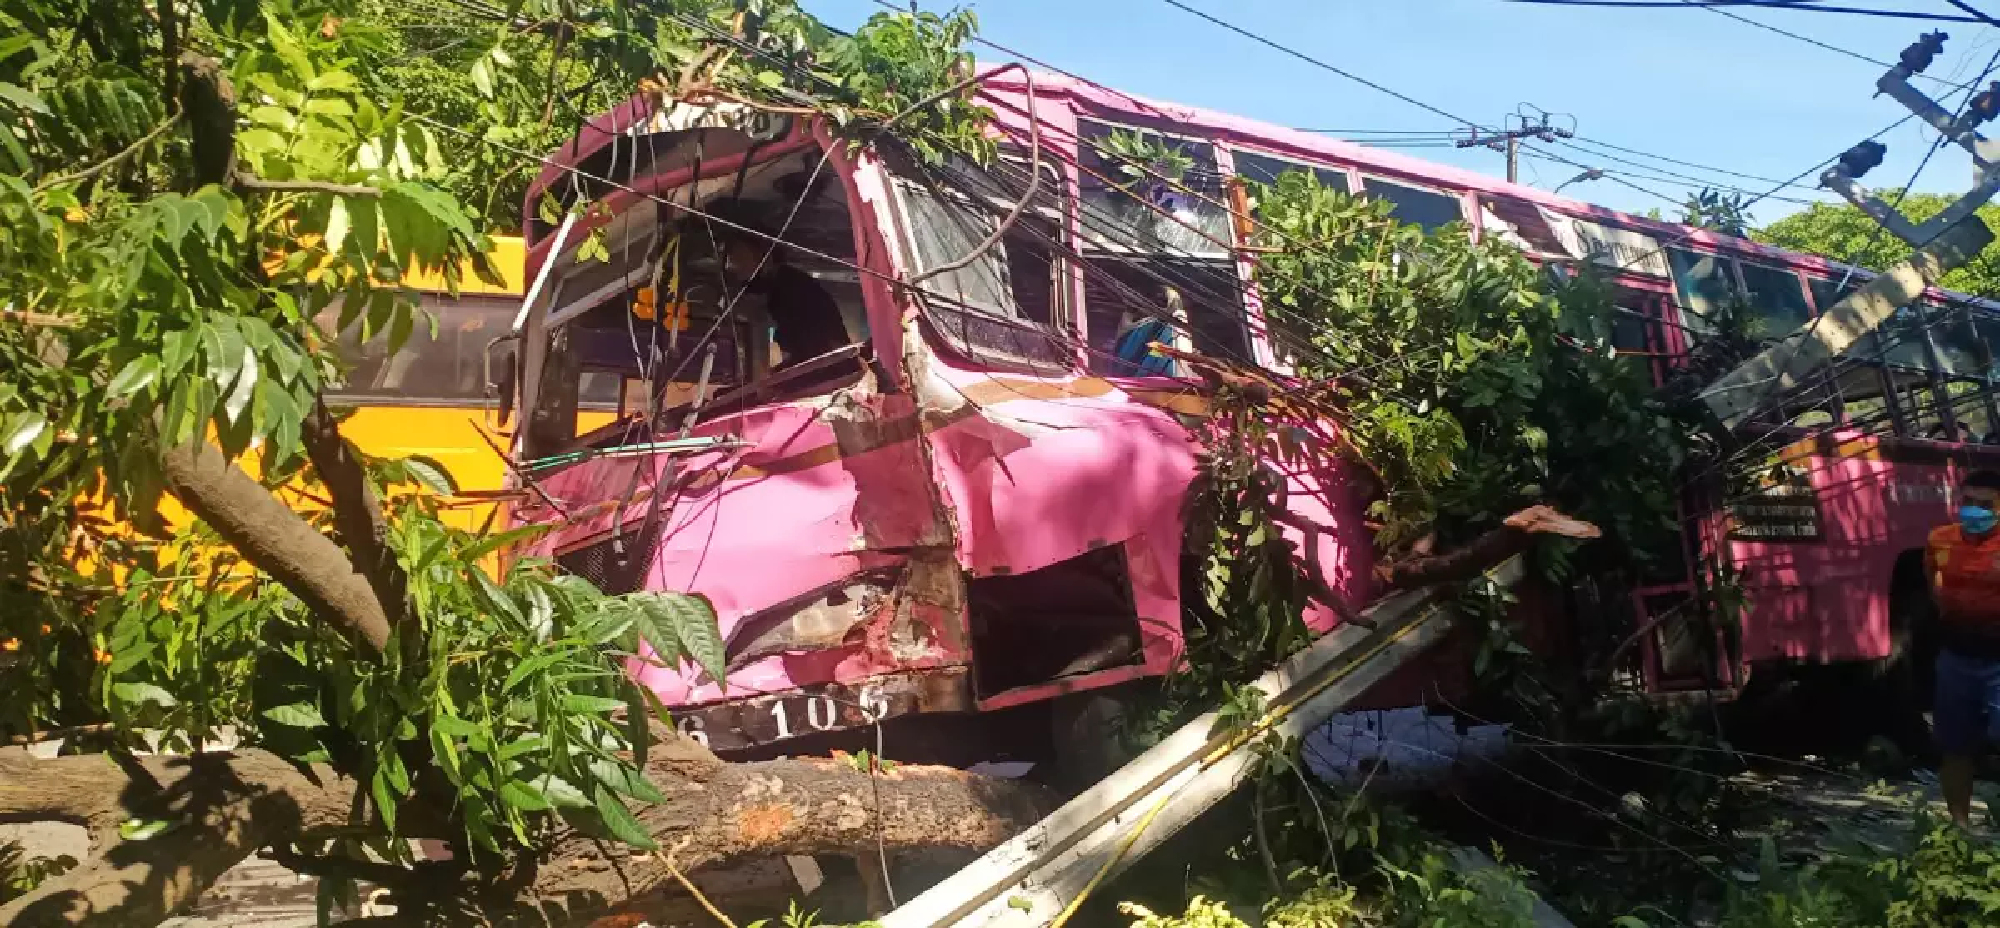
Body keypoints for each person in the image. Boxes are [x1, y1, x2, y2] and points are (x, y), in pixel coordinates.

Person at [1929, 468, 2000, 828]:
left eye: (1984, 505)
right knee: (1955, 746)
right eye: (1968, 502)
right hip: (1956, 657)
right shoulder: (1940, 540)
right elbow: (1933, 580)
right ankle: (1961, 828)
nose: (1974, 511)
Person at [703, 198, 849, 369]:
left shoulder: (792, 291)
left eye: (739, 257)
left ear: (765, 254)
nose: (733, 266)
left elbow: (809, 357)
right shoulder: (781, 288)